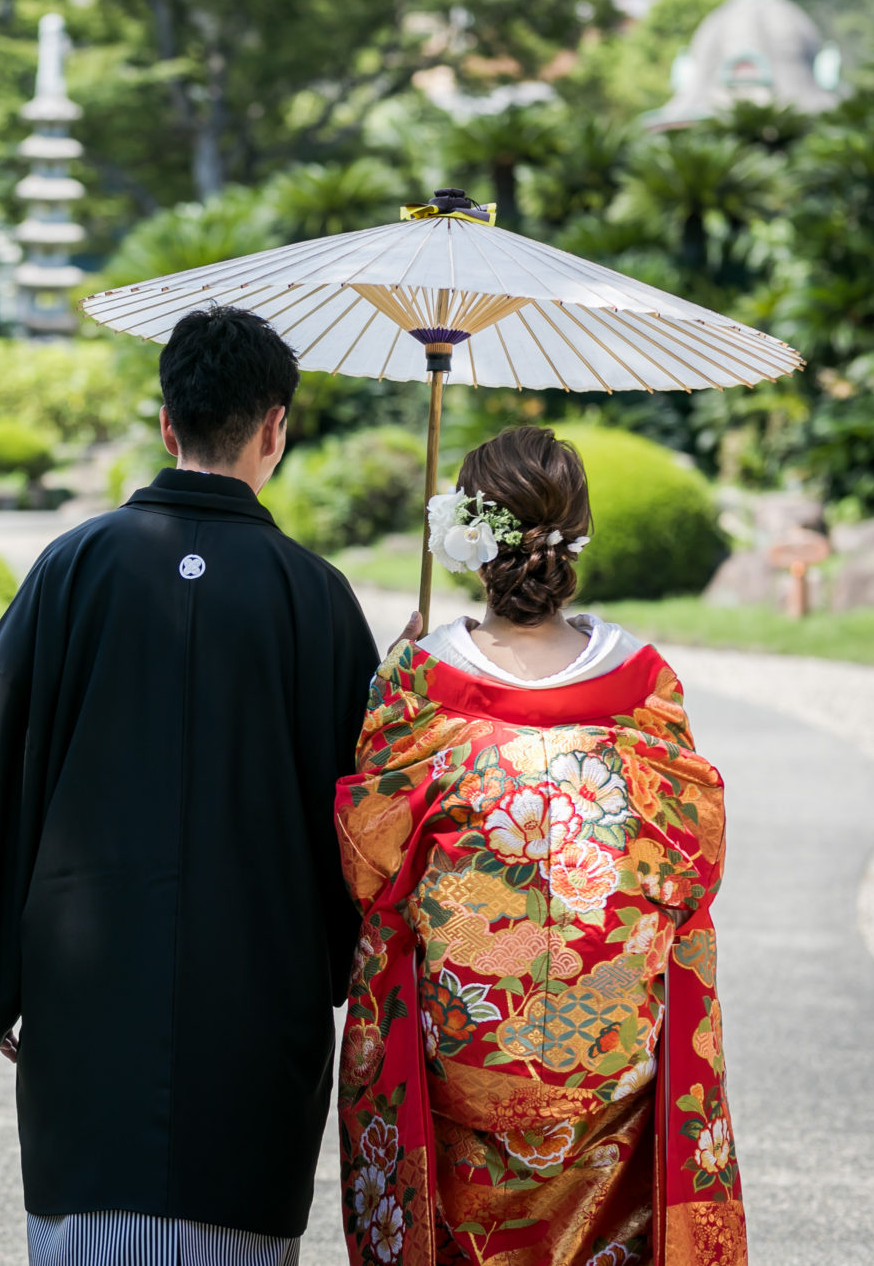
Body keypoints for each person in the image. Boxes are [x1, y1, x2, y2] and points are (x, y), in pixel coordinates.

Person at [0, 305, 385, 1265]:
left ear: (167, 424)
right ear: (275, 428)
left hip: (86, 999)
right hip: (255, 1009)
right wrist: (402, 701)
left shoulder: (72, 568)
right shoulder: (316, 597)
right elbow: (368, 824)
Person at [333, 426, 745, 1266]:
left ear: (467, 538)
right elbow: (692, 860)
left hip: (464, 1048)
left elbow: (368, 864)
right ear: (577, 533)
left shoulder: (421, 684)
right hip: (610, 1050)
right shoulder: (642, 682)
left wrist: (394, 684)